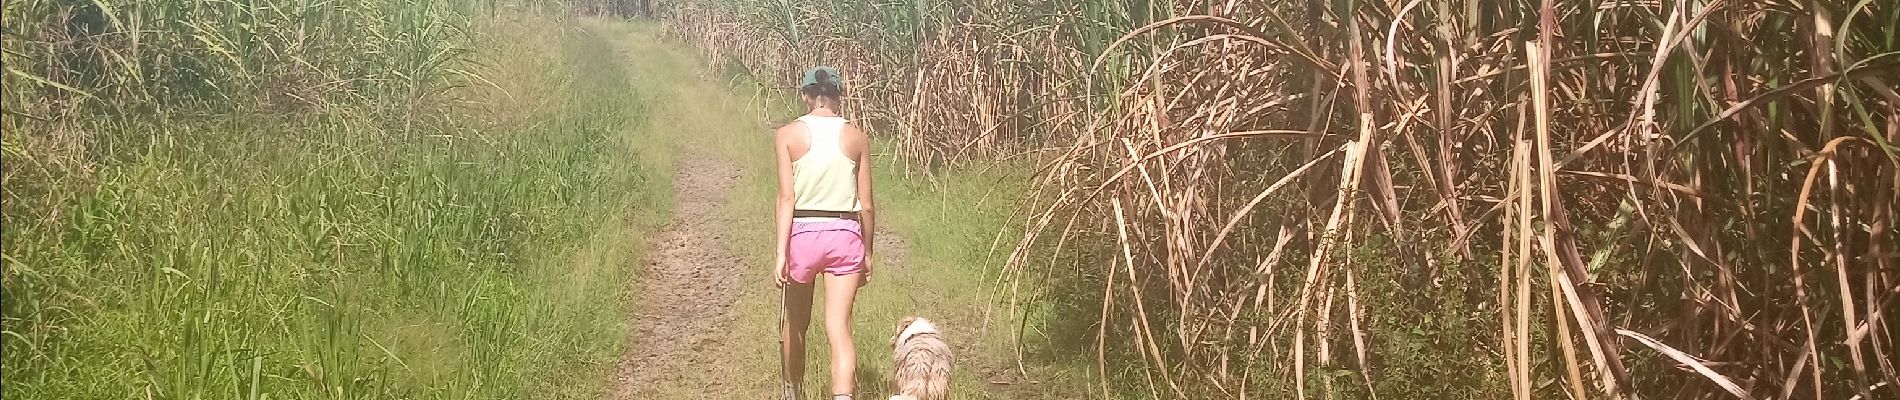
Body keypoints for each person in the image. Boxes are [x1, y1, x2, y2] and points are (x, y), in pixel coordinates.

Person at [774, 66, 875, 400]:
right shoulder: (856, 137)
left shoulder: (788, 135)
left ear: (806, 95)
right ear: (838, 96)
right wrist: (868, 253)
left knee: (795, 323)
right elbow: (867, 205)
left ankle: (793, 391)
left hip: (803, 233)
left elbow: (786, 197)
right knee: (838, 327)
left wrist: (780, 254)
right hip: (845, 233)